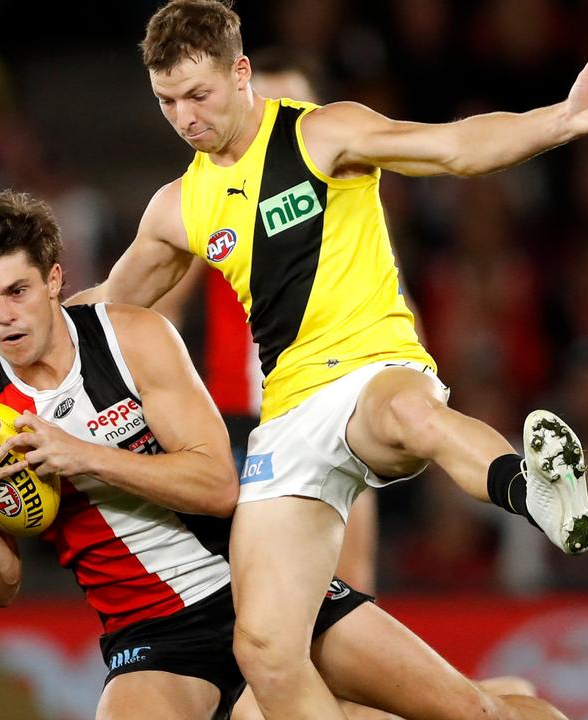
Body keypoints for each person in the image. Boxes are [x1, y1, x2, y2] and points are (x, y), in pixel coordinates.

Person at [0, 2, 588, 717]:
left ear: (239, 73)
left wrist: (559, 120)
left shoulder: (320, 133)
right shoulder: (178, 207)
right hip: (287, 419)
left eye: (198, 95)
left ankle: (538, 492)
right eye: (166, 102)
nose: (185, 118)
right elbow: (97, 308)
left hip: (368, 368)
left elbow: (453, 149)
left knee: (412, 414)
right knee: (264, 650)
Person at [0, 190, 565, 720]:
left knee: (477, 717)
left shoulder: (133, 339)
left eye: (18, 292)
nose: (4, 317)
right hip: (151, 639)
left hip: (263, 586)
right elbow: (0, 586)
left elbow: (216, 486)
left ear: (55, 280)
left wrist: (81, 455)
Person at [152, 47, 379, 593]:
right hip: (242, 425)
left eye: (294, 106)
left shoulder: (350, 207)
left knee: (352, 583)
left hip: (338, 404)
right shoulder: (210, 203)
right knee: (266, 594)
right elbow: (158, 308)